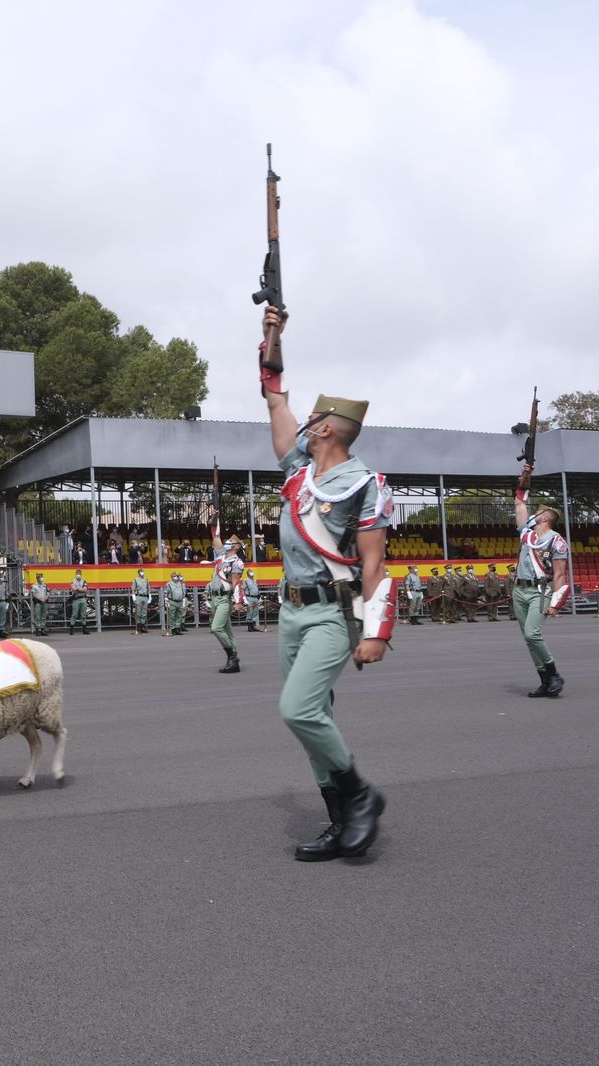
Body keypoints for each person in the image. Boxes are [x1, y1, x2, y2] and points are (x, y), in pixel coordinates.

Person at [258, 306, 394, 861]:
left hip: (334, 613)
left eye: (312, 418)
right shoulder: (299, 472)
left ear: (328, 428)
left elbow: (375, 564)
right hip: (291, 612)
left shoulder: (365, 485)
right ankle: (341, 823)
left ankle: (360, 796)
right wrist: (272, 335)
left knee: (298, 710)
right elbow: (275, 398)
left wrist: (376, 631)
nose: (304, 423)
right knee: (316, 716)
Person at [512, 469, 570, 697]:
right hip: (519, 590)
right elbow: (519, 503)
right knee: (529, 639)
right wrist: (524, 480)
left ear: (546, 517)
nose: (534, 514)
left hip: (539, 591)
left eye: (538, 512)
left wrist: (556, 603)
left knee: (532, 634)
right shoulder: (527, 534)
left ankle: (554, 675)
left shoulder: (557, 542)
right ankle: (545, 681)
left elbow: (560, 574)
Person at [205, 521, 245, 674]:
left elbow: (235, 583)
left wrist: (238, 601)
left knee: (216, 628)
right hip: (215, 597)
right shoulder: (221, 556)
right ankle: (234, 663)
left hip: (224, 599)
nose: (227, 543)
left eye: (231, 542)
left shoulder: (237, 562)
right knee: (227, 631)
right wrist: (214, 521)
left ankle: (232, 656)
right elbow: (215, 537)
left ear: (236, 546)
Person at [164, 571, 187, 635]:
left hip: (180, 601)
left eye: (176, 576)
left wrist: (183, 600)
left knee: (179, 615)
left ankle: (177, 628)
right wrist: (166, 599)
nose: (176, 577)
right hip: (172, 601)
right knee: (172, 615)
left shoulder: (181, 584)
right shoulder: (169, 584)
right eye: (174, 576)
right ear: (171, 577)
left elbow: (183, 592)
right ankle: (173, 629)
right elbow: (166, 592)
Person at [130, 568, 152, 634]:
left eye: (143, 571)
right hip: (138, 596)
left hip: (145, 597)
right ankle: (138, 627)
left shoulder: (146, 580)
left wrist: (150, 596)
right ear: (139, 572)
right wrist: (133, 596)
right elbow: (133, 589)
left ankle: (143, 626)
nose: (142, 572)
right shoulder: (135, 580)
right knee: (138, 612)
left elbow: (149, 588)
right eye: (141, 571)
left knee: (144, 613)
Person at [68, 569, 90, 634]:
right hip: (76, 599)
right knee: (74, 614)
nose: (78, 575)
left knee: (83, 615)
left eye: (79, 574)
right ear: (76, 574)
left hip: (83, 599)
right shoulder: (73, 581)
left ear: (81, 574)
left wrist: (78, 589)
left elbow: (85, 589)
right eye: (77, 574)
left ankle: (84, 630)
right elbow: (74, 589)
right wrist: (81, 589)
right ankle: (71, 629)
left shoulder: (84, 581)